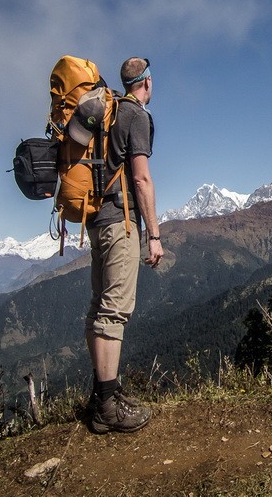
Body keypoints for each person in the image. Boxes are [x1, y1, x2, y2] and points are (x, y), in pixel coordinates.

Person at [85, 57, 164, 433]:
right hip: (121, 222)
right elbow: (142, 178)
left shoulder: (106, 112)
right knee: (114, 312)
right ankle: (107, 407)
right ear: (146, 83)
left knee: (99, 307)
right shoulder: (136, 116)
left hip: (95, 221)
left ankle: (104, 392)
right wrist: (154, 235)